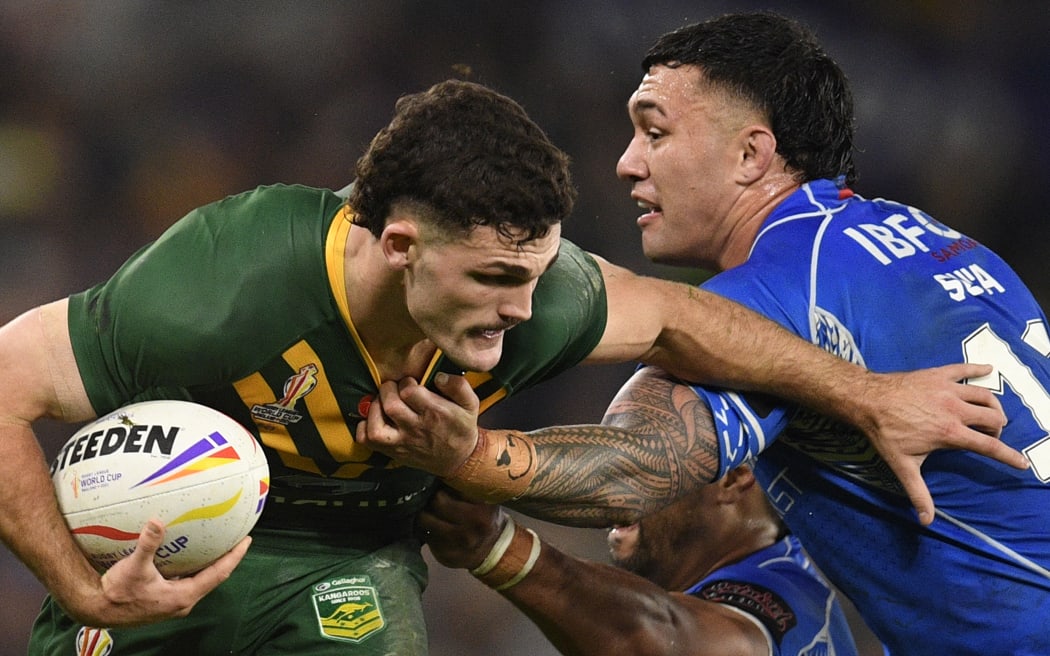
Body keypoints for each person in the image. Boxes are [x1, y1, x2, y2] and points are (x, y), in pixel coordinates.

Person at [0, 78, 1003, 655]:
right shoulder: (222, 281)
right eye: (491, 277)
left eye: (532, 273)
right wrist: (80, 590)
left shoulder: (544, 295)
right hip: (173, 548)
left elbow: (691, 323)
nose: (521, 311)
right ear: (399, 246)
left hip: (351, 561)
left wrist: (868, 394)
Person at [356, 13, 1050, 655]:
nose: (628, 162)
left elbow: (635, 472)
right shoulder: (932, 243)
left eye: (655, 132)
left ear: (751, 155)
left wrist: (468, 455)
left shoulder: (780, 292)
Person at [421, 464, 864, 656]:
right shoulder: (791, 572)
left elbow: (658, 641)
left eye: (648, 461)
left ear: (732, 477)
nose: (613, 485)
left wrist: (501, 547)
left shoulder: (783, 601)